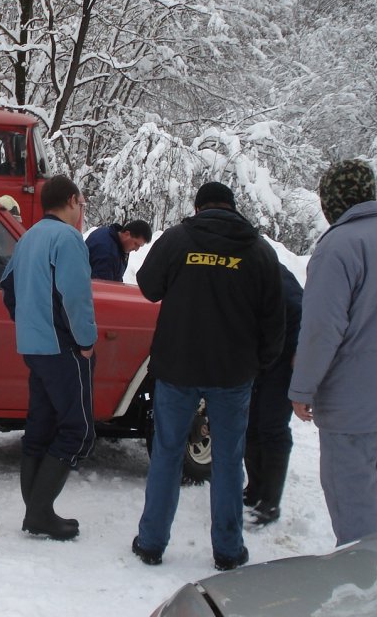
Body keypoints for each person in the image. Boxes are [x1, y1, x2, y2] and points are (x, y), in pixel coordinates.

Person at [132, 181, 284, 571]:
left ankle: (151, 543)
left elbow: (148, 287)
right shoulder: (258, 251)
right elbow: (275, 319)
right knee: (229, 461)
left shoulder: (179, 240)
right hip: (233, 375)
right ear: (233, 208)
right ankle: (228, 550)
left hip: (177, 369)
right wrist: (260, 364)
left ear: (198, 208)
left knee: (166, 454)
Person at [289, 159, 377, 547]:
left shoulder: (337, 247)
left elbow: (321, 329)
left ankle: (362, 591)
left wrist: (302, 388)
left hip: (353, 405)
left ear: (331, 201)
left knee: (353, 506)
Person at [0, 175, 97, 540]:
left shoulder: (28, 237)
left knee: (40, 426)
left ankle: (36, 511)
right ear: (72, 200)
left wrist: (27, 322)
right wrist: (85, 339)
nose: (82, 210)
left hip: (34, 345)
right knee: (77, 430)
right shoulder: (67, 238)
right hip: (63, 347)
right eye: (82, 203)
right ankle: (40, 513)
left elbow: (7, 288)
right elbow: (75, 296)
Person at [244, 262, 303, 526]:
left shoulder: (268, 271)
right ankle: (254, 488)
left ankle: (270, 501)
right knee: (250, 424)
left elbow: (301, 310)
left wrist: (300, 351)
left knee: (272, 426)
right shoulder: (239, 270)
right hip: (258, 358)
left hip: (283, 358)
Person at [85, 220, 152, 281]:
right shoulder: (108, 253)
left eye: (139, 246)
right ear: (127, 234)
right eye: (136, 244)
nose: (136, 249)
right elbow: (103, 289)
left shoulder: (111, 236)